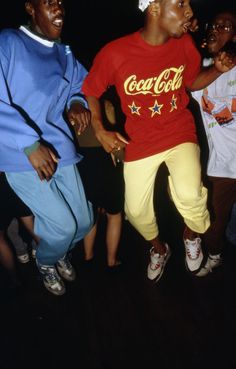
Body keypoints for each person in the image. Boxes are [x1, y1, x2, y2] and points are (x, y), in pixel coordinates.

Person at [81, 0, 235, 283]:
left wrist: (217, 70)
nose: (189, 11)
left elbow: (191, 82)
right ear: (154, 8)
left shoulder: (184, 44)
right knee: (136, 212)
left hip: (179, 132)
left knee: (190, 196)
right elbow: (91, 89)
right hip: (140, 140)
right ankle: (160, 249)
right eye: (180, 4)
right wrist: (100, 129)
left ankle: (191, 236)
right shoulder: (116, 52)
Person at [0, 0, 94, 295]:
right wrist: (29, 144)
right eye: (48, 1)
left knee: (85, 221)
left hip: (60, 146)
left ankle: (57, 252)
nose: (59, 7)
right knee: (64, 226)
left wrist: (77, 103)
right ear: (30, 7)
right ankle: (45, 261)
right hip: (20, 153)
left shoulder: (64, 52)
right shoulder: (9, 42)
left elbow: (80, 86)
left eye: (61, 2)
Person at [191, 9, 236, 275]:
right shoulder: (201, 73)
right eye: (215, 24)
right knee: (214, 224)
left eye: (227, 26)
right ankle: (216, 256)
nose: (218, 28)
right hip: (222, 168)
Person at [76, 90, 125, 268]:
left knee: (91, 213)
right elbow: (113, 140)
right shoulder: (105, 104)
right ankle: (111, 260)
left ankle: (88, 256)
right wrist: (123, 158)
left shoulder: (72, 107)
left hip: (83, 164)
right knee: (114, 214)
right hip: (104, 161)